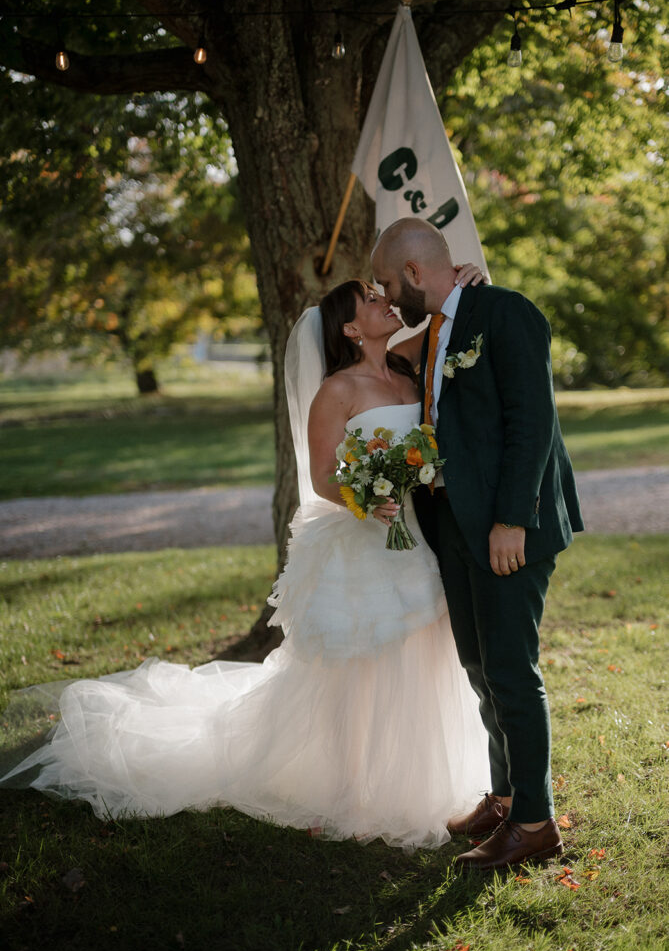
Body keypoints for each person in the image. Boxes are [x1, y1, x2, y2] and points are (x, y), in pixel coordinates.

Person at [0, 270, 491, 850]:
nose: (387, 302)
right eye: (372, 299)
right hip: (367, 539)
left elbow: (443, 317)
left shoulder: (408, 365)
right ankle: (354, 787)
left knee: (423, 657)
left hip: (417, 536)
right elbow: (322, 477)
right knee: (361, 671)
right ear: (353, 328)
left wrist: (468, 286)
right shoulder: (337, 390)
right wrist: (368, 495)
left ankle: (428, 775)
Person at [371, 217, 584, 870]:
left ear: (412, 273)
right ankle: (502, 797)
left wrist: (510, 519)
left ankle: (533, 822)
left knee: (511, 674)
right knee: (478, 669)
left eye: (385, 283)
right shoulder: (435, 328)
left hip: (505, 530)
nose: (382, 298)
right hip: (454, 527)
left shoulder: (506, 313)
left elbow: (532, 421)